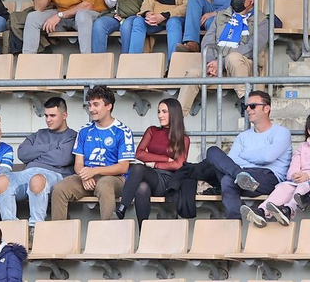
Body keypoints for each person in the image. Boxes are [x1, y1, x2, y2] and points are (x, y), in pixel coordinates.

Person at [193, 89, 291, 219]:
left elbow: (268, 157)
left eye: (253, 106)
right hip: (243, 176)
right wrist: (241, 169)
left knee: (228, 178)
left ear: (266, 108)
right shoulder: (243, 136)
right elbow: (233, 159)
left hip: (268, 177)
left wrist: (244, 154)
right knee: (213, 152)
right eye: (246, 107)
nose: (248, 110)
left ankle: (239, 177)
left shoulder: (281, 132)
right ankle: (235, 223)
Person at [49, 84, 133, 219]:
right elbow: (78, 164)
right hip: (87, 177)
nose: (91, 109)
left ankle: (109, 235)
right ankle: (59, 236)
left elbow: (123, 166)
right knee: (60, 189)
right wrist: (85, 176)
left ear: (108, 106)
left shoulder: (122, 131)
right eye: (89, 105)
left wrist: (94, 171)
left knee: (104, 185)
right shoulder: (84, 130)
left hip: (115, 179)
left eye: (95, 105)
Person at [0, 97, 75, 225]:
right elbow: (22, 153)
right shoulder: (39, 133)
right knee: (1, 180)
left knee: (37, 179)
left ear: (64, 115)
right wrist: (49, 148)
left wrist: (35, 154)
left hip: (54, 175)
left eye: (53, 116)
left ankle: (35, 228)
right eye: (46, 116)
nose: (48, 120)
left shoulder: (72, 136)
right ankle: (10, 227)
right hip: (27, 173)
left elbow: (62, 158)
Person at [117, 97, 188, 222]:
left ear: (174, 113)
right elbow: (139, 154)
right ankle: (142, 233)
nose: (160, 115)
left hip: (166, 179)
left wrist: (154, 164)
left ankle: (122, 207)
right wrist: (165, 159)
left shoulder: (183, 138)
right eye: (159, 111)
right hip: (151, 176)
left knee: (139, 168)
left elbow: (178, 164)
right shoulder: (152, 131)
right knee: (142, 188)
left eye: (164, 112)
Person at [252, 114, 310, 225]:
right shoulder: (303, 147)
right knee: (284, 187)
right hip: (299, 180)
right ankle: (262, 211)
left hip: (307, 183)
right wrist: (294, 175)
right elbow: (295, 163)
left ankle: (288, 210)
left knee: (302, 188)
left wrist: (307, 176)